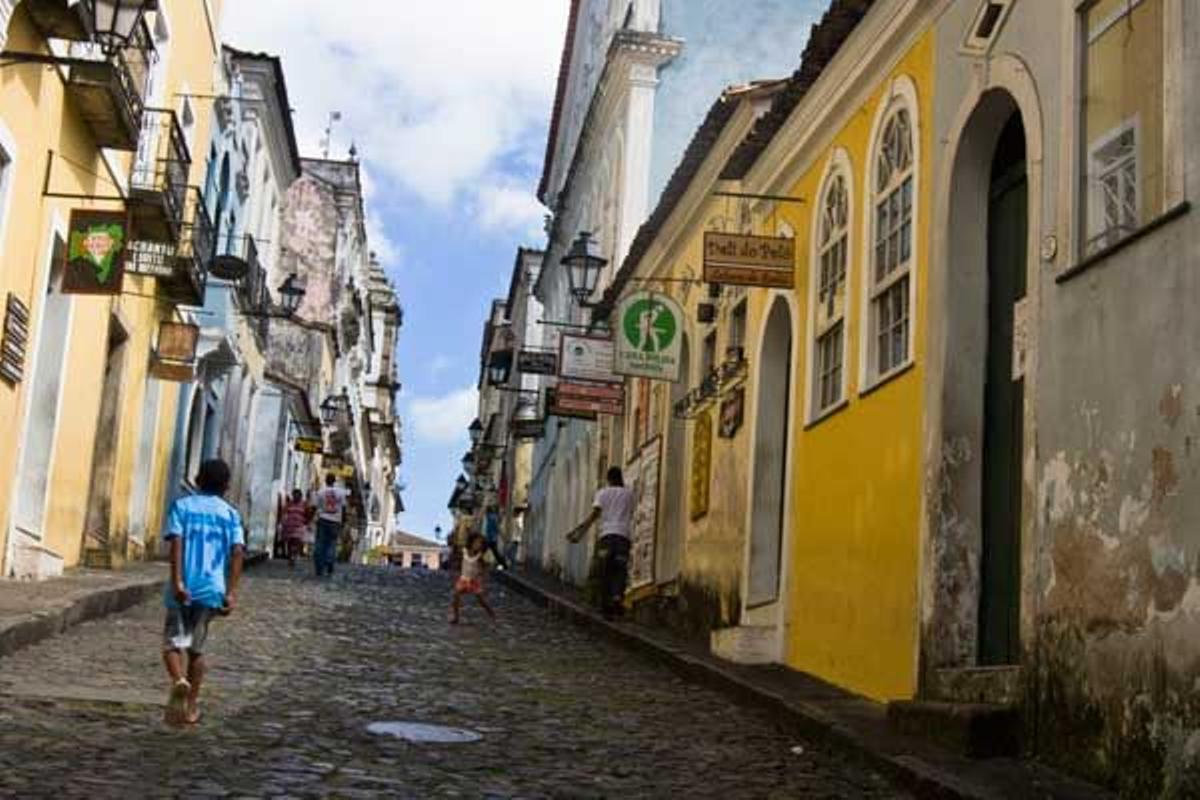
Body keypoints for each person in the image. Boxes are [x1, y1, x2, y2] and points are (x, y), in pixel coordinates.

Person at [162, 459, 245, 726]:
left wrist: (177, 582)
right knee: (196, 649)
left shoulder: (182, 506)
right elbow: (237, 553)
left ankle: (179, 680)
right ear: (226, 486)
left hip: (184, 587)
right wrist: (231, 592)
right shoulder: (230, 515)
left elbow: (176, 543)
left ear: (198, 480)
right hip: (211, 589)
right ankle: (191, 706)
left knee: (174, 643)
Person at [569, 466, 635, 620]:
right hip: (623, 537)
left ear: (609, 479)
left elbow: (595, 515)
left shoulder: (603, 493)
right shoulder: (629, 494)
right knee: (620, 568)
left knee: (605, 569)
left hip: (606, 537)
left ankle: (606, 605)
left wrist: (579, 532)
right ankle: (617, 597)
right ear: (621, 478)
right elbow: (631, 512)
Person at [450, 533, 496, 624]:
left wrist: (481, 575)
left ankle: (491, 613)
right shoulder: (464, 552)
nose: (478, 545)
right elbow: (458, 560)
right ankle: (455, 616)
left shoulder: (479, 556)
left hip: (473, 581)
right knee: (456, 596)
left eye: (480, 544)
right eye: (476, 543)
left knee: (481, 599)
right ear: (471, 542)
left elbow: (483, 568)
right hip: (463, 579)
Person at [312, 474, 350, 578]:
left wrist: (311, 518)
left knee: (320, 543)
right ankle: (329, 562)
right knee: (332, 544)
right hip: (335, 521)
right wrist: (344, 521)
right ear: (334, 481)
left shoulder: (320, 492)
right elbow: (344, 508)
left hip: (323, 519)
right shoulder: (341, 493)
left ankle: (319, 566)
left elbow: (314, 507)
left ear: (325, 480)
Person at [278, 489, 311, 569]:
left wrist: (307, 522)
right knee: (290, 543)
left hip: (299, 526)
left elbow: (308, 514)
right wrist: (282, 521)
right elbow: (284, 512)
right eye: (295, 495)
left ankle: (294, 555)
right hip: (289, 526)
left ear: (300, 496)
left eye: (298, 495)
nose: (296, 497)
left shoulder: (304, 504)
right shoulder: (289, 504)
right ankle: (290, 557)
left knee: (297, 542)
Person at [482, 505, 509, 570]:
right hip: (492, 537)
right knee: (494, 552)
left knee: (486, 550)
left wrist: (503, 536)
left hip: (491, 537)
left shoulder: (490, 516)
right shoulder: (492, 516)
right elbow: (497, 528)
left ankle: (504, 565)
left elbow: (497, 528)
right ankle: (503, 565)